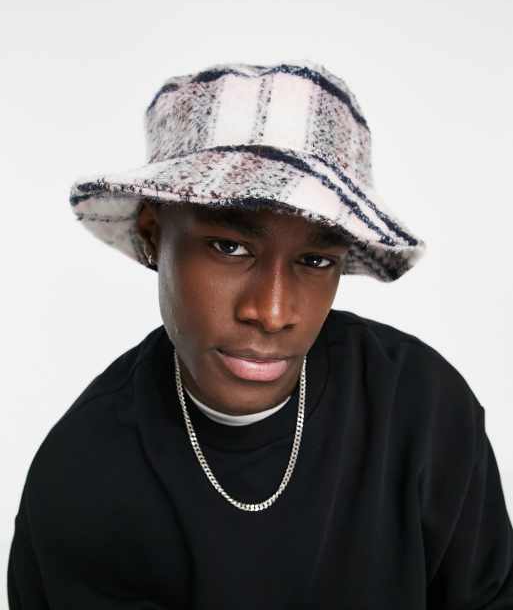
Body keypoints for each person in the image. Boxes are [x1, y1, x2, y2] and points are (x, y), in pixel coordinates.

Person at [7, 60, 513, 609]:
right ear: (153, 233)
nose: (271, 313)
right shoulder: (82, 478)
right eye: (230, 247)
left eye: (315, 260)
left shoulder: (421, 409)